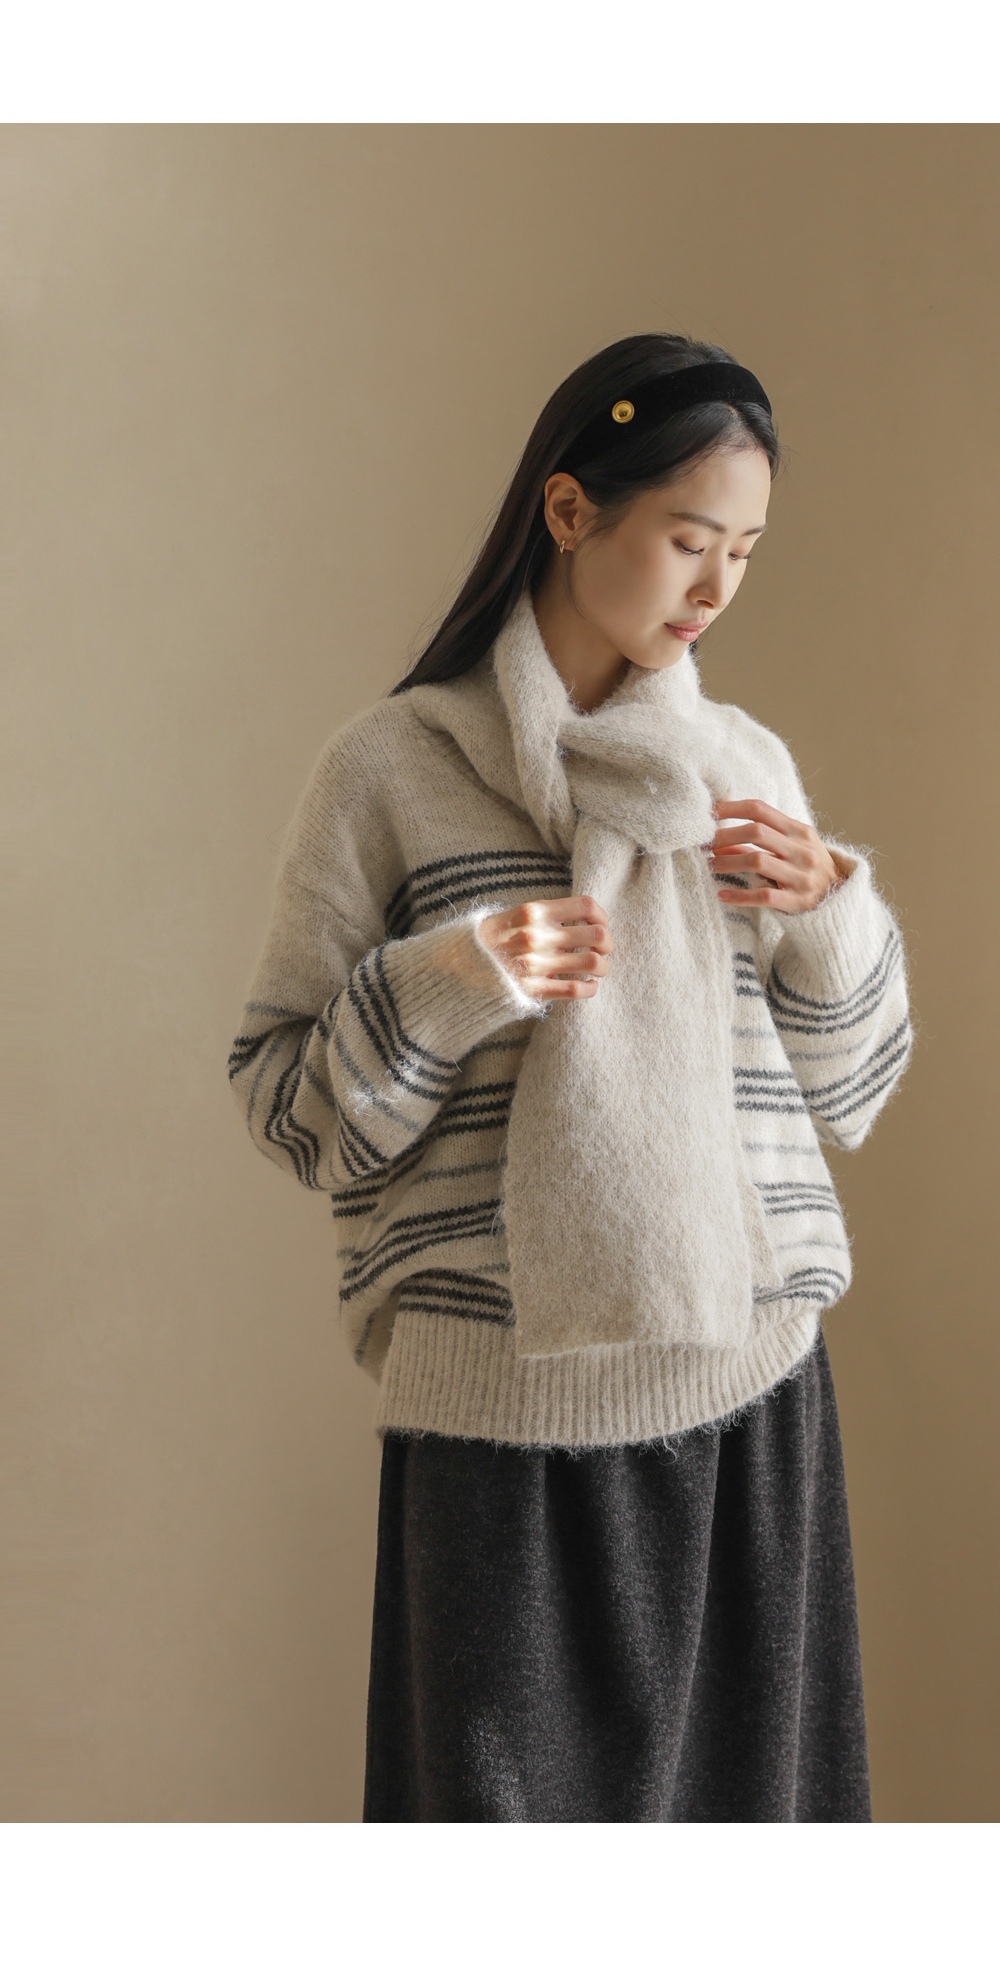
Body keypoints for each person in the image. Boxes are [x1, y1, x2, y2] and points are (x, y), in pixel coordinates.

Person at [227, 332, 912, 1821]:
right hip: (500, 1411)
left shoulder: (744, 769)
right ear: (568, 509)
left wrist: (830, 911)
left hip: (753, 1395)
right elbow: (289, 1104)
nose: (716, 588)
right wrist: (453, 978)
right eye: (689, 537)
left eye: (745, 552)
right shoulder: (388, 772)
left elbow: (854, 1089)